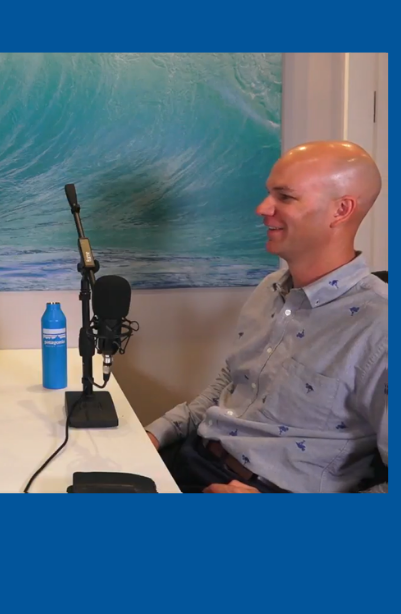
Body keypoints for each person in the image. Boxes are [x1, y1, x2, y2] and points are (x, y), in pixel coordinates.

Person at [146, 141, 388, 493]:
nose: (262, 208)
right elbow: (231, 384)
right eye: (269, 194)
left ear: (341, 210)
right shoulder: (270, 288)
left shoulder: (381, 327)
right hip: (193, 458)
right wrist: (157, 433)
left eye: (285, 197)